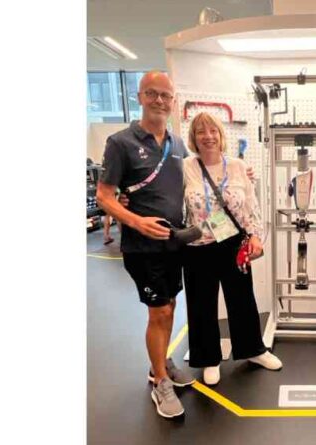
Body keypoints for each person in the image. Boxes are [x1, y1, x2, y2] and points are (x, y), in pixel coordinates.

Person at [96, 71, 198, 419]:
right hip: (142, 247)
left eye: (165, 95)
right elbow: (104, 196)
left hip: (174, 244)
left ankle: (162, 362)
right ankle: (159, 381)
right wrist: (136, 221)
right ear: (139, 96)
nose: (159, 100)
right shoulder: (120, 142)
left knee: (168, 307)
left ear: (173, 101)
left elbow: (196, 182)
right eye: (151, 93)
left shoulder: (179, 145)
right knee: (159, 311)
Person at [181, 112, 282, 385]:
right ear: (194, 138)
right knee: (201, 303)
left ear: (220, 135)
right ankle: (209, 358)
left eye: (213, 131)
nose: (208, 136)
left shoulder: (237, 166)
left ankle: (253, 350)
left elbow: (251, 204)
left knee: (242, 298)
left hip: (232, 242)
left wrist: (256, 236)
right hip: (198, 246)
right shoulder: (186, 166)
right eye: (201, 132)